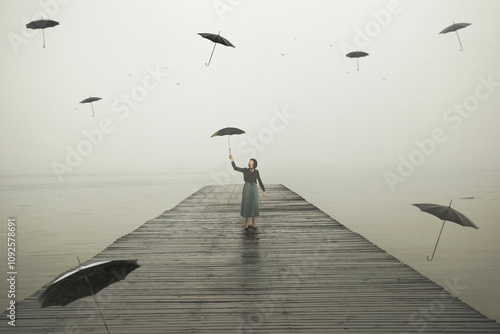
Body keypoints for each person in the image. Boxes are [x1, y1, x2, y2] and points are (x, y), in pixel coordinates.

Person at [229, 154, 266, 229]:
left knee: (254, 203)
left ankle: (254, 221)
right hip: (247, 187)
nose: (250, 161)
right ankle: (246, 222)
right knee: (247, 203)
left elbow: (259, 180)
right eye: (250, 160)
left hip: (254, 188)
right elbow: (235, 168)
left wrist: (263, 190)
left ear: (254, 163)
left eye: (251, 160)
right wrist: (232, 159)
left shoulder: (256, 171)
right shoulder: (245, 170)